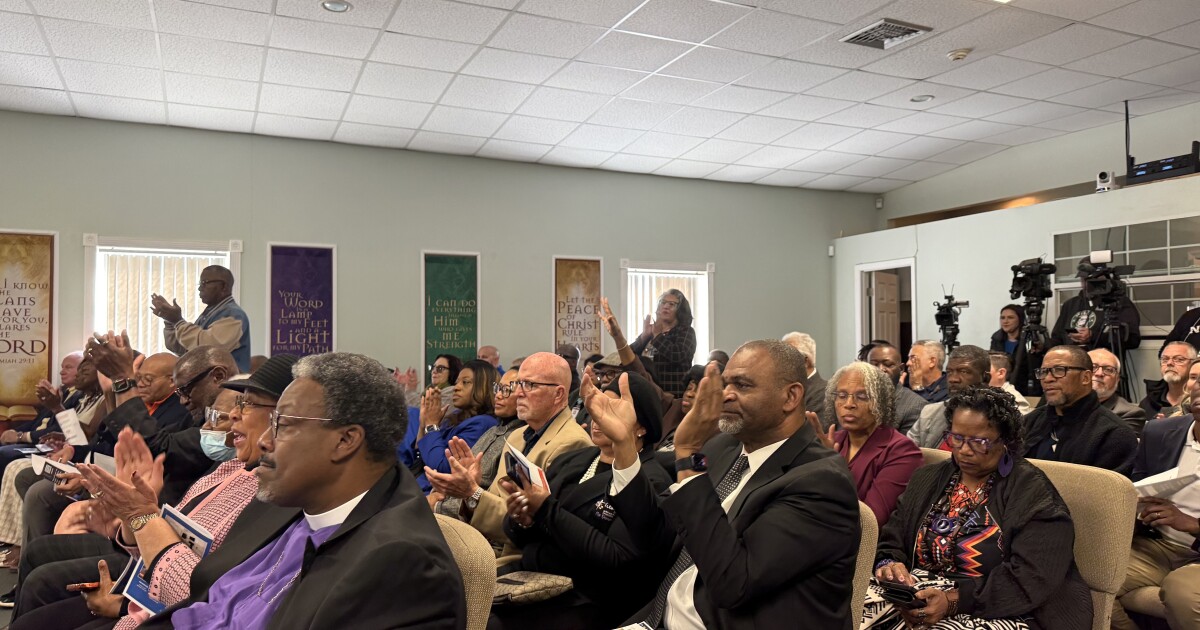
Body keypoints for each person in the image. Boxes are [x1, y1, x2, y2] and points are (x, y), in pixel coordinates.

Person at [139, 352, 467, 629]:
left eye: (283, 424)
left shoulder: (403, 567)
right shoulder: (287, 501)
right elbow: (204, 603)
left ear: (345, 441)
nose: (266, 440)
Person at [593, 340, 861, 629]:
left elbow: (734, 583)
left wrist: (687, 452)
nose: (726, 396)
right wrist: (623, 446)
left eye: (743, 386)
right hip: (661, 615)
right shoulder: (723, 448)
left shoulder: (820, 482)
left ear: (790, 397)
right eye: (725, 384)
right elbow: (661, 532)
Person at [12, 358, 296, 629]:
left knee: (43, 573)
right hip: (148, 571)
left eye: (245, 405)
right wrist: (130, 516)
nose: (232, 416)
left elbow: (204, 593)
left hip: (161, 595)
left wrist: (138, 516)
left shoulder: (274, 494)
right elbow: (104, 442)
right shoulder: (233, 465)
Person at [873, 386, 1092, 630]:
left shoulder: (1032, 493)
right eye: (957, 438)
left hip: (1007, 609)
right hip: (921, 597)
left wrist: (954, 601)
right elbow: (893, 537)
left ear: (1006, 440)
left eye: (980, 441)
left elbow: (1032, 578)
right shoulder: (928, 479)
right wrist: (890, 565)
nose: (965, 450)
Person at [491, 371, 673, 630]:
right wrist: (522, 518)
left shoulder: (649, 481)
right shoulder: (577, 459)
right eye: (597, 408)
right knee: (460, 594)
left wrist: (545, 510)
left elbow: (615, 558)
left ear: (641, 427)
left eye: (611, 409)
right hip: (530, 577)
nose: (598, 418)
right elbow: (523, 534)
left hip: (588, 598)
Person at [425, 352, 591, 557]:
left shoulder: (572, 442)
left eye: (529, 385)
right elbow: (495, 500)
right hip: (485, 543)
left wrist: (473, 492)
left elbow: (535, 525)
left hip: (517, 556)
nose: (519, 393)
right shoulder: (517, 436)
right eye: (518, 384)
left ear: (558, 394)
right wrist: (470, 492)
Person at [1112, 379, 1200, 630]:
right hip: (1156, 543)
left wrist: (1193, 524)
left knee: (1181, 592)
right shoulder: (1159, 432)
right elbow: (1137, 485)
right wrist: (1138, 507)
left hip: (1195, 549)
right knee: (1090, 573)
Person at [812, 362, 922, 527]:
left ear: (881, 403)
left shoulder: (902, 451)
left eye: (862, 396)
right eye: (842, 395)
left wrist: (831, 469)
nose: (849, 404)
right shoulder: (833, 441)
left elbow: (870, 521)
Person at [1022, 345, 1137, 476]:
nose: (1048, 379)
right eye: (1043, 372)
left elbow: (1106, 493)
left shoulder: (1114, 434)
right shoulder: (1028, 422)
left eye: (1059, 370)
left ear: (1086, 378)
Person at [432, 369, 525, 522]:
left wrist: (436, 506)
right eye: (498, 388)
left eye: (507, 390)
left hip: (471, 521)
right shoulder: (492, 430)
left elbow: (487, 497)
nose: (499, 395)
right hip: (448, 508)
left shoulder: (517, 438)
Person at [401, 359, 498, 494]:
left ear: (483, 386)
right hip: (418, 485)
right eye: (457, 381)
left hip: (433, 492)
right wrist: (424, 423)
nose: (456, 387)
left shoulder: (482, 424)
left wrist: (432, 425)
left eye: (465, 382)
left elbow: (443, 467)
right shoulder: (456, 416)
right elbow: (420, 453)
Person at [151, 265, 252, 373]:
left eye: (205, 282)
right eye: (200, 284)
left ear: (224, 287)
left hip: (226, 386)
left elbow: (208, 349)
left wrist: (178, 321)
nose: (199, 288)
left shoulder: (234, 315)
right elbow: (184, 348)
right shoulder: (211, 312)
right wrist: (170, 320)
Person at [1048, 256, 1141, 353]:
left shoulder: (1117, 302)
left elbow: (1133, 340)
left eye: (1090, 279)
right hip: (1073, 363)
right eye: (1083, 279)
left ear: (1103, 277)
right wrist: (1044, 347)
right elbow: (1057, 338)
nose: (1085, 283)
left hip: (1102, 363)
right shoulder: (1070, 304)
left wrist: (1093, 336)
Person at [907, 345, 990, 448]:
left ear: (986, 378)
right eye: (949, 372)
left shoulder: (1001, 416)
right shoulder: (930, 412)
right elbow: (906, 453)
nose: (953, 379)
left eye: (964, 371)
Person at [630, 289, 697, 398]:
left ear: (680, 310)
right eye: (663, 302)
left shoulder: (686, 332)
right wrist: (644, 336)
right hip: (647, 394)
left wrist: (657, 336)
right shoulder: (651, 332)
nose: (666, 306)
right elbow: (628, 357)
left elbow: (677, 355)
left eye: (672, 304)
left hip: (672, 396)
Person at [868, 343, 927, 436]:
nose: (880, 369)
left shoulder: (916, 406)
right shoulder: (853, 400)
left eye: (888, 365)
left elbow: (903, 448)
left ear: (901, 369)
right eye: (874, 365)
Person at [1088, 348, 1147, 436]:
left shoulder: (1130, 413)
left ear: (1117, 379)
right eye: (1093, 367)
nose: (1099, 373)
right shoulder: (1064, 403)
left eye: (1108, 369)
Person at [1141, 341, 1196, 419]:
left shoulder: (1197, 401)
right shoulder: (1149, 402)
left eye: (1179, 359)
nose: (1169, 363)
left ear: (1193, 363)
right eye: (1165, 359)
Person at [989, 304, 1034, 394]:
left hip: (1023, 387)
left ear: (1020, 320)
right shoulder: (996, 338)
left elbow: (1032, 365)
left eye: (1010, 317)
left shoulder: (1028, 339)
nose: (1005, 321)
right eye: (1002, 318)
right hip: (1000, 385)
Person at [783, 332, 826, 418]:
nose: (781, 363)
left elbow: (813, 429)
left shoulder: (824, 393)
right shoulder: (784, 389)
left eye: (786, 357)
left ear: (805, 362)